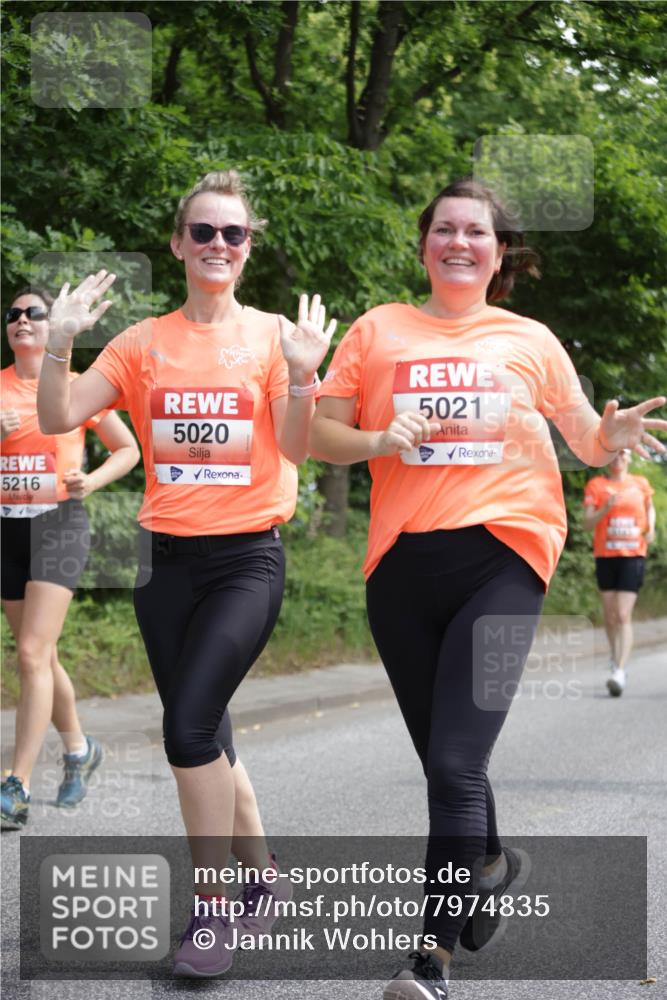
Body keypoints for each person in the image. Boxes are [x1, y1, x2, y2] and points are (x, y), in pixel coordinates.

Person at [310, 177, 666, 1000]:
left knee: (454, 761)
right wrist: (377, 437)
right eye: (444, 229)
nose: (458, 242)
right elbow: (319, 436)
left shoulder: (528, 339)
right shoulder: (376, 330)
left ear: (499, 252)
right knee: (447, 760)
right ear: (423, 245)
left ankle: (429, 960)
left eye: (476, 231)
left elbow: (583, 436)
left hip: (506, 559)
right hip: (399, 565)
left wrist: (608, 434)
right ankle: (491, 862)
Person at [36, 170, 336, 977]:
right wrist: (61, 341)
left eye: (233, 233)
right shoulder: (142, 343)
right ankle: (264, 875)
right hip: (164, 565)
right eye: (202, 231)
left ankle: (212, 912)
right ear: (178, 244)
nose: (217, 244)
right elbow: (59, 415)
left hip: (245, 560)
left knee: (188, 731)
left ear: (248, 247)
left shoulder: (275, 337)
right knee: (209, 731)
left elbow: (298, 446)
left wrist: (303, 375)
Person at [1, 286, 139, 830]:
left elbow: (128, 449)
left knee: (32, 653)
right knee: (40, 656)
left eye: (34, 313)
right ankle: (80, 750)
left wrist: (92, 480)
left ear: (50, 324)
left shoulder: (76, 386)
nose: (22, 320)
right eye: (13, 314)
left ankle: (16, 785)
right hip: (7, 528)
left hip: (58, 524)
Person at [583, 449, 656, 696]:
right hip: (605, 556)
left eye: (623, 454)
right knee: (610, 616)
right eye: (613, 454)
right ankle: (615, 659)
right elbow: (586, 523)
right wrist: (605, 508)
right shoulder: (596, 485)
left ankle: (620, 671)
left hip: (633, 555)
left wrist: (651, 527)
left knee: (623, 614)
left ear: (630, 458)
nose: (618, 458)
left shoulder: (640, 483)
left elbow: (650, 507)